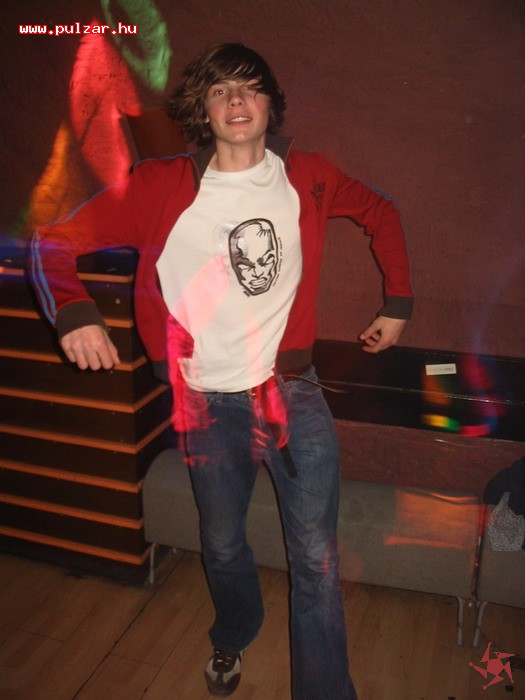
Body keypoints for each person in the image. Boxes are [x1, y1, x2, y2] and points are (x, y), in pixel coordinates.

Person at [31, 43, 413, 699]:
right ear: (203, 110)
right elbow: (52, 241)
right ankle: (235, 631)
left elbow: (382, 212)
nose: (236, 100)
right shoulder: (159, 185)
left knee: (317, 559)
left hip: (291, 393)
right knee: (222, 541)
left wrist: (398, 303)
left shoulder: (309, 175)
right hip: (204, 401)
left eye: (249, 87)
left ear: (269, 104)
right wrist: (73, 311)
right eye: (219, 90)